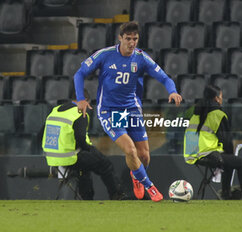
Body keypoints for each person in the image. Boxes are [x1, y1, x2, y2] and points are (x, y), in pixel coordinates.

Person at [74, 21, 182, 202]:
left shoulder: (141, 58)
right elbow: (79, 74)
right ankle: (150, 186)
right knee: (130, 150)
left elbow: (164, 77)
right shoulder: (105, 55)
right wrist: (80, 99)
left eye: (135, 39)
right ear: (120, 38)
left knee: (144, 156)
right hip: (110, 111)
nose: (132, 43)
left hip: (131, 109)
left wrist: (172, 90)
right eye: (128, 39)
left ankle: (136, 176)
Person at [42, 87, 125, 200]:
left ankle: (87, 197)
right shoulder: (79, 112)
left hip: (51, 157)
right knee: (105, 164)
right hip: (69, 157)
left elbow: (43, 133)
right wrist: (88, 148)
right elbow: (80, 139)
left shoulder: (55, 110)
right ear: (84, 100)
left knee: (85, 167)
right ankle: (117, 195)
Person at [183, 84, 242, 200]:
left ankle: (226, 194)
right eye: (221, 96)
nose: (221, 99)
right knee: (240, 162)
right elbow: (226, 140)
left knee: (228, 160)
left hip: (191, 155)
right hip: (208, 154)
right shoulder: (218, 115)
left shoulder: (195, 115)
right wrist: (230, 154)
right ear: (216, 98)